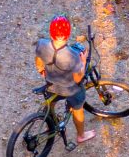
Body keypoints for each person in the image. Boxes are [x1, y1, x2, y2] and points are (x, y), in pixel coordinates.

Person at [35, 15, 95, 143]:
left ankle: (50, 122)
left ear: (51, 33)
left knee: (51, 102)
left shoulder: (41, 44)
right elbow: (78, 79)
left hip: (51, 84)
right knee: (78, 109)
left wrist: (41, 70)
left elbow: (39, 59)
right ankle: (81, 135)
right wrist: (83, 62)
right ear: (68, 35)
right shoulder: (73, 56)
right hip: (70, 89)